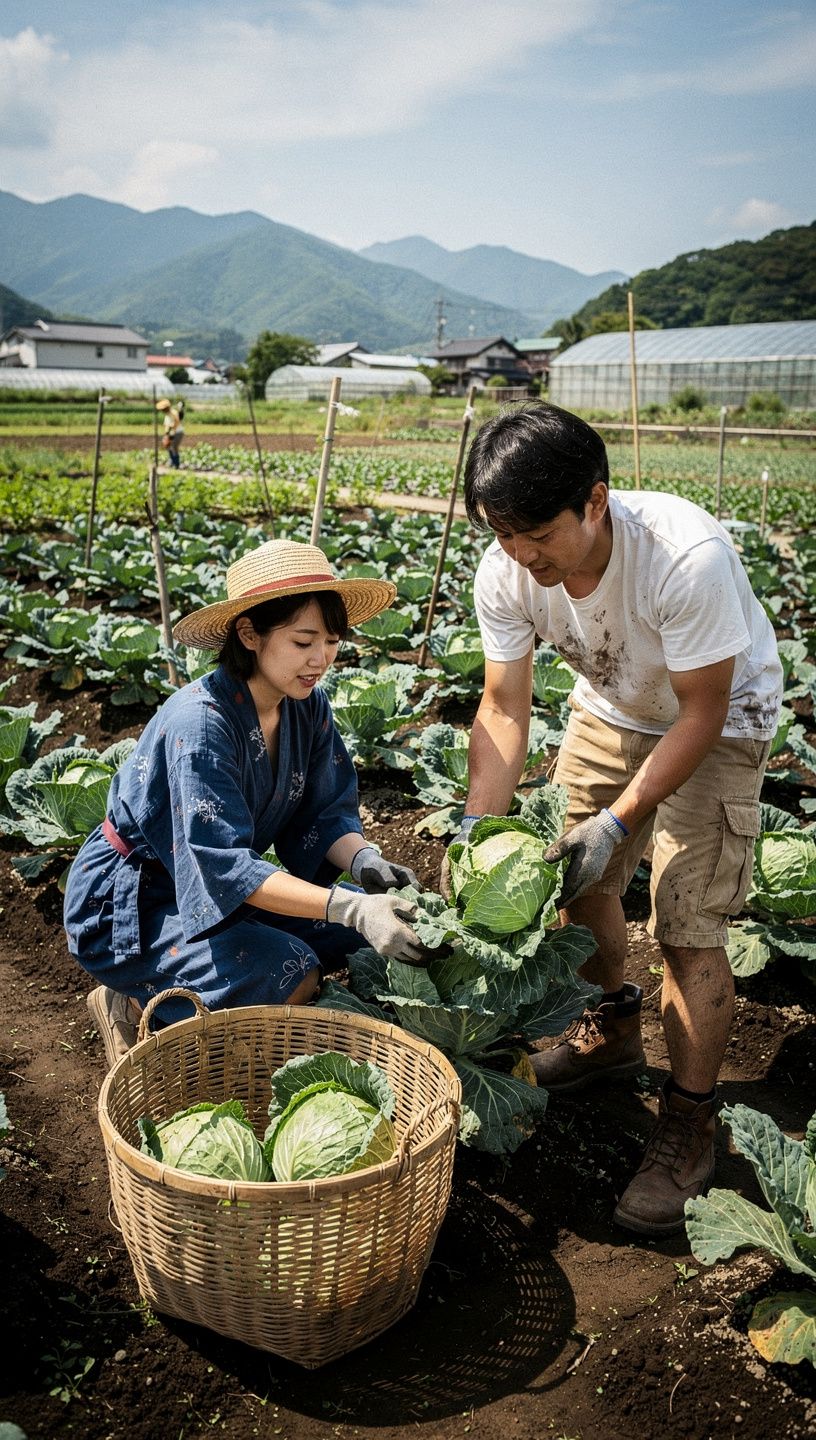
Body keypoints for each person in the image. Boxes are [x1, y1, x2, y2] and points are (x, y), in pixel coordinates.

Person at [448, 402, 781, 1237]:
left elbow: (700, 712)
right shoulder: (508, 569)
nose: (520, 554)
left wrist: (624, 819)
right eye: (501, 534)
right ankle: (612, 1029)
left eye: (536, 533)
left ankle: (690, 1117)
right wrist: (476, 832)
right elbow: (502, 706)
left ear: (594, 502)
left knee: (687, 923)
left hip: (722, 713)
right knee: (576, 881)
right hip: (611, 703)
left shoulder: (682, 556)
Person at [65, 539, 425, 1071]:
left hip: (212, 886)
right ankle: (136, 1005)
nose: (320, 659)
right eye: (304, 641)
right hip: (130, 901)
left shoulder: (307, 704)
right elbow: (223, 867)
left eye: (330, 641)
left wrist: (363, 862)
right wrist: (351, 905)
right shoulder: (201, 724)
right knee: (292, 971)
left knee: (362, 941)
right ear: (250, 634)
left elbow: (324, 814)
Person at [156, 396, 184, 468]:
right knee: (168, 447)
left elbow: (176, 422)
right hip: (171, 433)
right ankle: (172, 461)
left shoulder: (173, 413)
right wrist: (166, 434)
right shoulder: (167, 415)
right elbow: (166, 425)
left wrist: (171, 430)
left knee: (174, 447)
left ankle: (176, 464)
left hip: (177, 432)